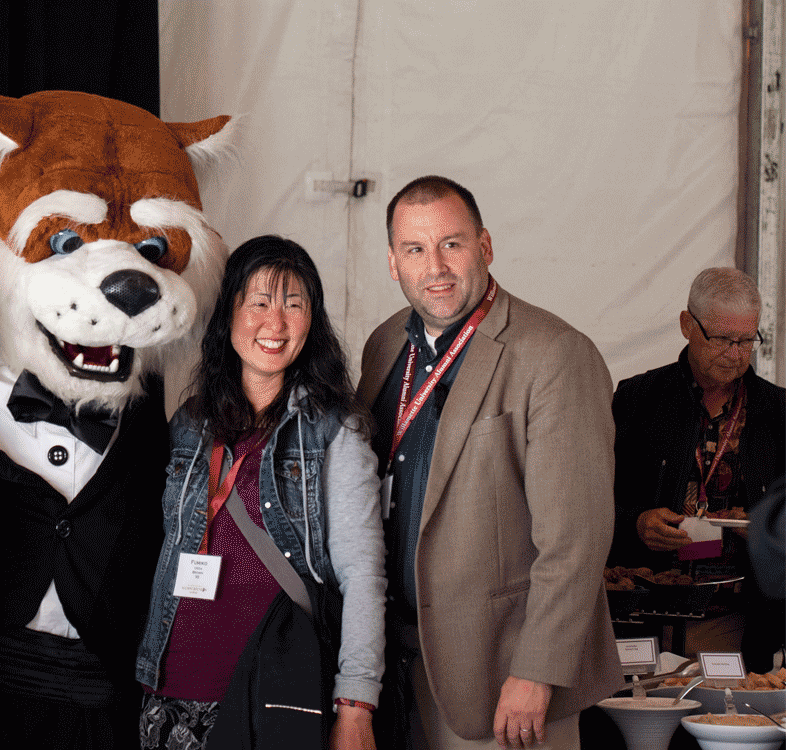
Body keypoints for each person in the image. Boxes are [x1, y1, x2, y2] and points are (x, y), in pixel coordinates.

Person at [354, 176, 620, 749]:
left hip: (502, 677)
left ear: (486, 247)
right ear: (393, 264)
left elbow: (575, 538)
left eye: (452, 244)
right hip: (397, 663)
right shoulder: (383, 348)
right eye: (415, 249)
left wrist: (536, 671)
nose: (436, 268)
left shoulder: (554, 354)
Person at [135, 235, 385, 750]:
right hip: (171, 681)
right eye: (260, 302)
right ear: (229, 314)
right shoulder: (190, 425)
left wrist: (356, 703)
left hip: (275, 690)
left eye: (294, 305)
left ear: (312, 321)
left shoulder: (335, 431)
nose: (276, 323)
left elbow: (363, 574)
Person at [610, 267, 785, 670]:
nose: (736, 353)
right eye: (722, 338)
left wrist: (762, 524)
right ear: (687, 325)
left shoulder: (777, 412)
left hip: (738, 619)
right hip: (645, 613)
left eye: (746, 340)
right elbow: (589, 503)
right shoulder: (637, 399)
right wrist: (635, 523)